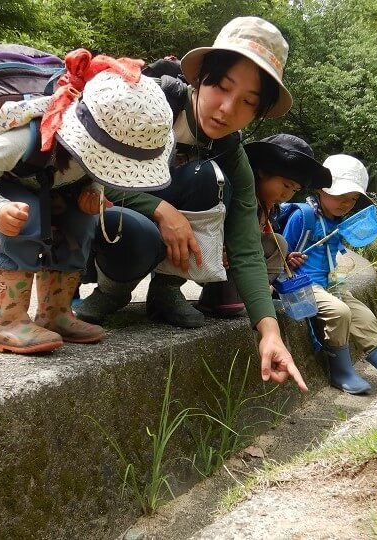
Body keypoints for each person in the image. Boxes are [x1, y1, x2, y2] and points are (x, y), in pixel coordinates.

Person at [75, 17, 308, 391]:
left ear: (257, 113)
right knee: (136, 229)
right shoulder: (146, 99)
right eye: (221, 86)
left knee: (207, 177)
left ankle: (166, 289)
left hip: (166, 220)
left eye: (248, 102)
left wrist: (268, 330)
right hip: (106, 217)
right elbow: (89, 167)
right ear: (201, 78)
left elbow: (247, 245)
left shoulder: (231, 152)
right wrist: (159, 210)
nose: (227, 109)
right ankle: (111, 292)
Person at [0, 50, 175, 355]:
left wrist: (92, 191)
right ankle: (7, 321)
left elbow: (94, 168)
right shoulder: (27, 138)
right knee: (29, 216)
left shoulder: (98, 143)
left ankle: (55, 313)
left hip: (39, 188)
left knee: (81, 220)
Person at [281, 154, 377, 394]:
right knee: (340, 312)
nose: (346, 203)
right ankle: (341, 371)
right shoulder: (303, 215)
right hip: (303, 284)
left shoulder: (337, 222)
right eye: (340, 196)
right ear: (321, 189)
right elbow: (279, 253)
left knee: (364, 315)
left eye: (353, 198)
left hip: (329, 284)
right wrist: (288, 260)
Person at [197, 133, 332, 316]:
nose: (287, 195)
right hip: (211, 257)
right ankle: (221, 294)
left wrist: (285, 260)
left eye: (294, 190)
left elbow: (259, 245)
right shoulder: (236, 196)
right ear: (262, 172)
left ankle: (238, 295)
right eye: (285, 185)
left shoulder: (270, 209)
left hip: (237, 262)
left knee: (279, 244)